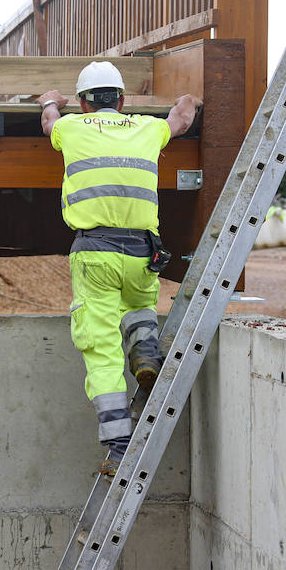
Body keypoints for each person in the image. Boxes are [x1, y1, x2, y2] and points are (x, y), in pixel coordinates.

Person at [38, 61, 202, 477]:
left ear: (83, 103)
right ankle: (146, 348)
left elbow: (48, 124)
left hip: (96, 253)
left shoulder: (71, 127)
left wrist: (49, 103)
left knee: (101, 351)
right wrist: (190, 98)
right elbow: (181, 117)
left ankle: (118, 444)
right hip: (142, 253)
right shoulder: (147, 128)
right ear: (123, 100)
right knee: (139, 300)